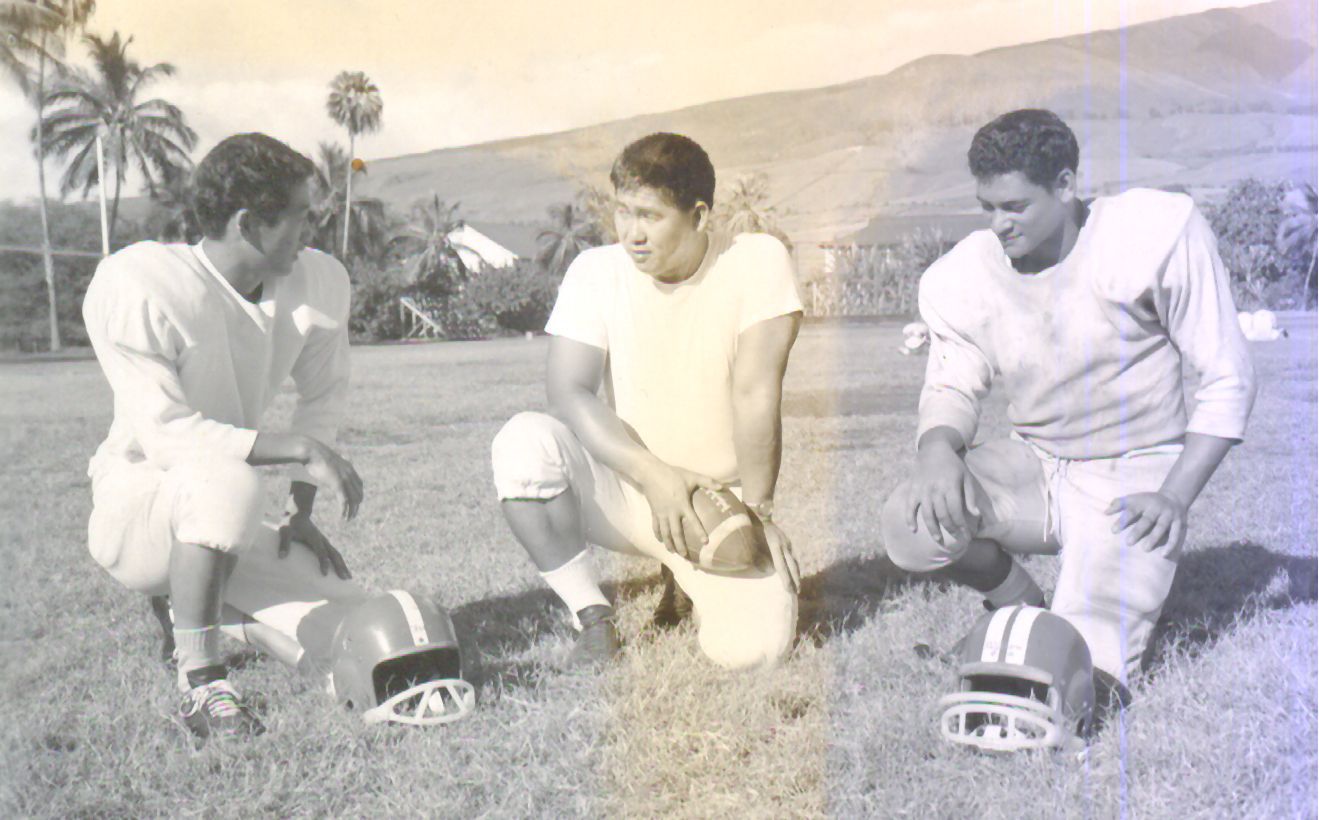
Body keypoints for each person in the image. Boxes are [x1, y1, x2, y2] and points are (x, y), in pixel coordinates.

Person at [880, 109, 1257, 689]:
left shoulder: (1151, 233)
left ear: (1065, 185)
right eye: (989, 208)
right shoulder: (966, 272)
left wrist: (1174, 497)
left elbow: (1227, 377)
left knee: (1077, 664)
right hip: (1035, 462)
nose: (1000, 224)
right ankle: (1016, 598)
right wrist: (936, 454)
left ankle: (1076, 611)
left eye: (1016, 206)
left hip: (1132, 472)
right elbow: (954, 380)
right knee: (911, 522)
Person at [82, 133, 368, 745]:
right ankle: (201, 675)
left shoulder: (315, 279)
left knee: (346, 615)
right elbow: (169, 438)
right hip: (140, 507)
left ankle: (206, 616)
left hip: (222, 519)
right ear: (248, 223)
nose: (310, 230)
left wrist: (299, 511)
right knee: (226, 479)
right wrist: (299, 449)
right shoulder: (142, 279)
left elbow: (324, 394)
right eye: (299, 215)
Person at [491, 132, 803, 671]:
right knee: (523, 444)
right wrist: (654, 474)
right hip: (633, 488)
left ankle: (686, 579)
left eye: (651, 216)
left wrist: (761, 512)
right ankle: (592, 618)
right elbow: (569, 390)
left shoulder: (757, 259)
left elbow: (755, 392)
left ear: (699, 215)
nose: (632, 233)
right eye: (623, 212)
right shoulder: (596, 270)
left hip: (716, 501)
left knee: (751, 653)